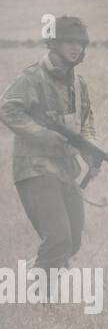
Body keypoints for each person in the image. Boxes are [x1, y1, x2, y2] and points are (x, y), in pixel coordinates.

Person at [0, 16, 97, 272]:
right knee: (58, 238)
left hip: (65, 169)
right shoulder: (33, 77)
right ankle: (42, 298)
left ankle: (32, 272)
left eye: (79, 43)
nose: (75, 48)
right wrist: (42, 134)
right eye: (68, 42)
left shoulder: (78, 84)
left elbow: (86, 121)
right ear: (54, 44)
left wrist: (91, 153)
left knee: (72, 242)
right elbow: (8, 109)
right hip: (35, 169)